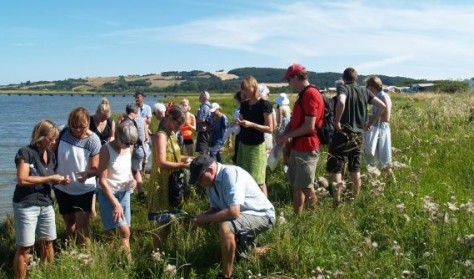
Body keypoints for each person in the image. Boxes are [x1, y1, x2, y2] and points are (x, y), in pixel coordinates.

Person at [190, 155, 275, 279]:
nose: (199, 183)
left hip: (262, 214)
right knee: (245, 256)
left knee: (226, 227)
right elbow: (215, 209)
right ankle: (272, 248)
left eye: (200, 179)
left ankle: (227, 275)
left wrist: (206, 219)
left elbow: (234, 212)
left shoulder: (230, 174)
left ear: (210, 170)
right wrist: (201, 217)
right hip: (244, 216)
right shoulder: (210, 183)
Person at [13, 120, 70, 279]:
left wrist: (59, 180)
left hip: (46, 203)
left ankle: (48, 275)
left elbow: (47, 178)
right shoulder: (25, 152)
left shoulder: (51, 155)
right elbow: (22, 179)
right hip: (26, 204)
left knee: (48, 243)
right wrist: (50, 178)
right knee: (24, 247)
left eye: (55, 139)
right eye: (50, 138)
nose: (53, 142)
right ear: (39, 136)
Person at [326, 67, 386, 206]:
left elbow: (341, 101)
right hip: (359, 134)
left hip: (343, 132)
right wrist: (370, 122)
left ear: (343, 78)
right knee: (355, 167)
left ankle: (337, 200)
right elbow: (382, 106)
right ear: (356, 78)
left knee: (337, 165)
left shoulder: (344, 88)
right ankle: (355, 198)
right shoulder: (365, 91)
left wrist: (337, 121)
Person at [277, 64, 324, 215]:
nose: (288, 84)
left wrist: (287, 136)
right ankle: (298, 217)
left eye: (289, 80)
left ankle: (314, 218)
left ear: (297, 77)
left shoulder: (310, 94)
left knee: (306, 187)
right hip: (299, 146)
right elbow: (298, 120)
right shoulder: (304, 94)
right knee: (298, 186)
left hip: (307, 147)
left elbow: (309, 125)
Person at [54, 107, 101, 246]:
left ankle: (86, 255)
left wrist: (87, 174)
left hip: (83, 188)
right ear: (69, 123)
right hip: (62, 187)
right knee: (69, 223)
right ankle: (71, 250)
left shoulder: (93, 140)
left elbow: (95, 168)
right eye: (74, 126)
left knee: (82, 226)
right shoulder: (62, 132)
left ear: (88, 122)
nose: (78, 129)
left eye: (82, 126)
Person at [147, 105, 191, 249]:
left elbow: (176, 156)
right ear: (169, 117)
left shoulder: (172, 134)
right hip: (162, 181)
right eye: (178, 124)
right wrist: (183, 166)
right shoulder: (161, 135)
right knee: (161, 220)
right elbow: (162, 162)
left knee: (170, 219)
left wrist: (190, 159)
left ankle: (163, 249)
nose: (179, 127)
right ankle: (156, 251)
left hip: (172, 180)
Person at [97, 121, 138, 259]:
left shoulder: (129, 147)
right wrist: (115, 204)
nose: (128, 146)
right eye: (126, 143)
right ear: (117, 136)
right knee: (120, 231)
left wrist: (132, 179)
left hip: (124, 192)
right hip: (108, 194)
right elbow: (102, 180)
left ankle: (122, 262)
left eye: (130, 143)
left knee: (124, 231)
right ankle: (122, 263)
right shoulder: (105, 150)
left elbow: (127, 169)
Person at [236, 76, 274, 196]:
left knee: (258, 180)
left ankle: (266, 208)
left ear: (254, 87)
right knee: (243, 178)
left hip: (256, 146)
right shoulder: (244, 104)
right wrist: (240, 121)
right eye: (243, 90)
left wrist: (251, 124)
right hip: (243, 144)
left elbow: (270, 128)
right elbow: (244, 120)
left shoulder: (264, 104)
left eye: (247, 89)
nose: (245, 92)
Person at [89, 97, 116, 218]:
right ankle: (92, 210)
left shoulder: (110, 121)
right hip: (91, 155)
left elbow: (112, 136)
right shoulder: (89, 120)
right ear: (97, 112)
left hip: (105, 154)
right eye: (101, 117)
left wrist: (110, 142)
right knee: (93, 181)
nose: (102, 120)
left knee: (104, 179)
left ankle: (105, 204)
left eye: (104, 118)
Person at [365, 75, 392, 169]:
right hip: (378, 128)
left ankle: (384, 175)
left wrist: (371, 121)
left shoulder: (383, 96)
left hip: (381, 129)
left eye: (367, 86)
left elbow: (386, 117)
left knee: (382, 157)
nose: (366, 89)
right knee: (375, 156)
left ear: (372, 86)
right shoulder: (378, 96)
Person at [121, 103, 147, 201]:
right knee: (135, 170)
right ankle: (137, 191)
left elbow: (129, 141)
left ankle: (138, 192)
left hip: (133, 150)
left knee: (133, 171)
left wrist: (128, 155)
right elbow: (146, 137)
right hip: (141, 149)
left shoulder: (126, 122)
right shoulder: (140, 120)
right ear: (134, 111)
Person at [134, 90, 152, 173]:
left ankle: (143, 171)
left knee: (146, 151)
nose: (136, 99)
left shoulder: (147, 108)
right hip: (135, 132)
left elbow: (149, 121)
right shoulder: (133, 108)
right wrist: (143, 119)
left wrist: (141, 119)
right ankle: (136, 169)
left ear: (142, 98)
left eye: (138, 97)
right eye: (135, 97)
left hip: (145, 132)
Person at [195, 91, 212, 155]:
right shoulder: (209, 106)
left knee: (202, 150)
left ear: (204, 97)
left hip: (204, 131)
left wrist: (194, 118)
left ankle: (203, 163)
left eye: (200, 96)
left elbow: (201, 119)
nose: (199, 97)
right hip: (208, 130)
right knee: (206, 149)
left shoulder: (204, 107)